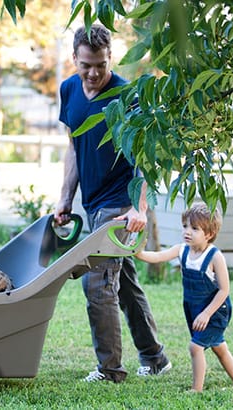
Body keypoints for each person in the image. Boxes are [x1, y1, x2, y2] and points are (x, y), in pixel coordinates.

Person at [54, 24, 171, 383]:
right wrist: (64, 199)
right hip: (91, 202)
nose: (92, 73)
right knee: (124, 282)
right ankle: (154, 357)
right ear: (74, 58)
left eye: (100, 65)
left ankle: (110, 370)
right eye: (86, 64)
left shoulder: (127, 95)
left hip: (118, 204)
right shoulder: (69, 89)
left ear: (111, 59)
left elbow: (144, 157)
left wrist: (140, 207)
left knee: (98, 283)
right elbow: (74, 148)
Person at [135, 202, 233, 392]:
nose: (187, 231)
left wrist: (207, 314)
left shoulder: (215, 257)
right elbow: (158, 257)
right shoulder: (181, 249)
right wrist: (139, 253)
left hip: (215, 310)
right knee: (219, 346)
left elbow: (224, 290)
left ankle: (197, 389)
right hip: (193, 308)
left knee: (195, 347)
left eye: (194, 228)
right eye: (185, 226)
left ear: (209, 234)